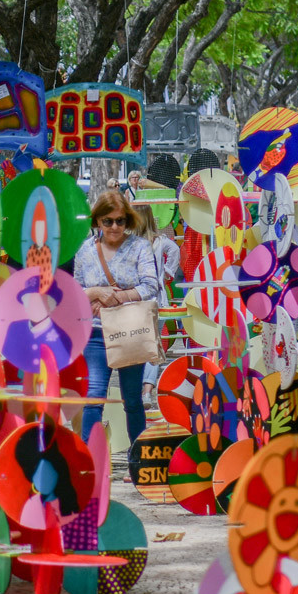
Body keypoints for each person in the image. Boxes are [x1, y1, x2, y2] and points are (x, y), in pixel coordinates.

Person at [74, 191, 161, 448]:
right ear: (97, 221)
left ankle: (137, 458)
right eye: (107, 221)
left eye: (120, 221)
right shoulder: (86, 250)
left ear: (128, 221)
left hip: (129, 331)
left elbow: (150, 285)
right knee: (93, 397)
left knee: (132, 400)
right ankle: (89, 460)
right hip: (96, 334)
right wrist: (97, 293)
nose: (114, 227)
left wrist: (116, 298)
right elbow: (76, 291)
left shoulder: (139, 247)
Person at [137, 206, 184, 404]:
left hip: (136, 300)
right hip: (157, 299)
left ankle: (136, 389)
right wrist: (167, 274)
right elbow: (175, 250)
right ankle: (147, 390)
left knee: (136, 346)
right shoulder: (159, 241)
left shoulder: (129, 242)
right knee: (153, 346)